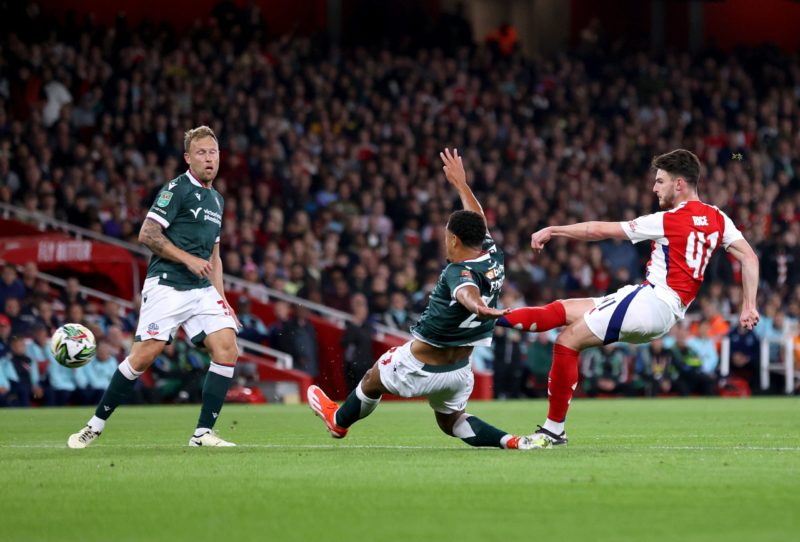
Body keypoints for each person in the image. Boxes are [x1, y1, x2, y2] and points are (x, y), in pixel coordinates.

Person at [497, 149, 760, 447]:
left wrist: (554, 229)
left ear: (679, 184)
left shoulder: (668, 220)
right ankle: (490, 317)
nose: (654, 188)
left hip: (652, 302)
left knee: (566, 341)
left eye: (660, 181)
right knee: (563, 310)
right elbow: (750, 257)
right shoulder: (718, 218)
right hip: (659, 307)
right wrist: (748, 305)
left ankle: (554, 429)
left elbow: (598, 230)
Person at [307, 149, 534, 450]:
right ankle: (511, 441)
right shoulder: (493, 255)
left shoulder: (458, 271)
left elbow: (466, 292)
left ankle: (339, 421)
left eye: (445, 236)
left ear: (454, 239)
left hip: (419, 365)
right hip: (458, 371)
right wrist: (460, 184)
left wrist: (477, 305)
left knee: (372, 378)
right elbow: (477, 219)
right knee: (452, 421)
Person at [67, 126, 241, 448]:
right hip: (167, 285)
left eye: (213, 152)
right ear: (188, 158)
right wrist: (187, 259)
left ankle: (203, 434)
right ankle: (95, 425)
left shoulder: (217, 200)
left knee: (228, 348)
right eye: (201, 152)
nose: (208, 158)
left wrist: (223, 299)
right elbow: (147, 234)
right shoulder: (176, 189)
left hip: (201, 289)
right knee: (144, 356)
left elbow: (214, 258)